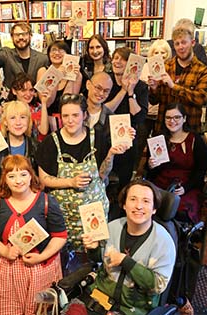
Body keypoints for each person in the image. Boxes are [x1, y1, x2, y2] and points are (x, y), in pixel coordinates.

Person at [36, 93, 132, 273]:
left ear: (84, 115)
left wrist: (110, 154)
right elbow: (44, 179)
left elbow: (103, 174)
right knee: (64, 257)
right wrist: (70, 182)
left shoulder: (97, 138)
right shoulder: (51, 142)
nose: (70, 120)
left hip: (93, 210)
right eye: (65, 116)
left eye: (75, 115)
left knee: (94, 256)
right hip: (63, 213)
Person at [0, 155, 67, 315]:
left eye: (23, 174)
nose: (18, 180)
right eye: (11, 176)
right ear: (4, 179)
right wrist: (5, 251)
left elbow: (60, 235)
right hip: (7, 269)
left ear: (31, 176)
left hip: (42, 269)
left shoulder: (48, 202)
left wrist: (42, 257)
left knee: (41, 310)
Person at [81, 179, 176, 315]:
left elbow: (158, 285)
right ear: (124, 204)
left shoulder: (164, 242)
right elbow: (99, 260)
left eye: (146, 201)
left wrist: (126, 262)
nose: (138, 206)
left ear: (154, 209)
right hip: (100, 298)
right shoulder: (112, 227)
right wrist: (93, 248)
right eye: (133, 199)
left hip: (133, 309)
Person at [147, 103, 207, 223]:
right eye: (168, 118)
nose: (172, 121)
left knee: (180, 210)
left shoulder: (195, 140)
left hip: (187, 186)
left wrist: (185, 188)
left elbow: (201, 171)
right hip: (160, 185)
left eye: (177, 117)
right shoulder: (158, 139)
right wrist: (151, 165)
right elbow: (151, 172)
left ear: (184, 118)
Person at [148, 27, 207, 134]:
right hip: (164, 130)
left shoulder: (203, 71)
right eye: (177, 44)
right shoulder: (165, 68)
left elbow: (201, 99)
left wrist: (173, 86)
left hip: (189, 130)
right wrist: (154, 88)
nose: (180, 47)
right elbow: (154, 101)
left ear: (192, 43)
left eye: (184, 42)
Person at [105, 47, 149, 189]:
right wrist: (123, 90)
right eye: (115, 58)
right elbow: (105, 111)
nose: (117, 61)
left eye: (122, 59)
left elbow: (139, 116)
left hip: (128, 137)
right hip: (106, 136)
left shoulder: (141, 86)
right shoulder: (107, 80)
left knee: (124, 179)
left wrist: (130, 92)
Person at [0, 100, 40, 204]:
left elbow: (39, 182)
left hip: (29, 202)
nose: (18, 122)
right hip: (3, 202)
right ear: (5, 122)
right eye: (13, 118)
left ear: (28, 121)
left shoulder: (37, 146)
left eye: (22, 117)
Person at [0, 22, 49, 88]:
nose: (21, 37)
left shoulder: (42, 59)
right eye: (17, 35)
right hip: (11, 99)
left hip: (34, 99)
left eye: (24, 34)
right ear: (12, 37)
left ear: (30, 36)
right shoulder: (6, 54)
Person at [138, 39, 173, 155]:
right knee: (140, 142)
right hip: (146, 113)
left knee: (159, 145)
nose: (159, 56)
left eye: (163, 52)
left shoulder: (170, 69)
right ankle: (136, 170)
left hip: (162, 114)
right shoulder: (145, 67)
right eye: (156, 52)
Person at [37, 41, 82, 115]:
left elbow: (67, 103)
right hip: (46, 116)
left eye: (61, 50)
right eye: (53, 50)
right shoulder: (43, 71)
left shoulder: (77, 75)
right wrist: (56, 76)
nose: (57, 53)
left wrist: (72, 77)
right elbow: (47, 103)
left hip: (65, 117)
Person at [8, 73, 49, 139]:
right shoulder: (8, 108)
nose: (28, 94)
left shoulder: (38, 107)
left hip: (36, 145)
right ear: (14, 91)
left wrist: (44, 103)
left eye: (31, 90)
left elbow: (44, 131)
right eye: (23, 90)